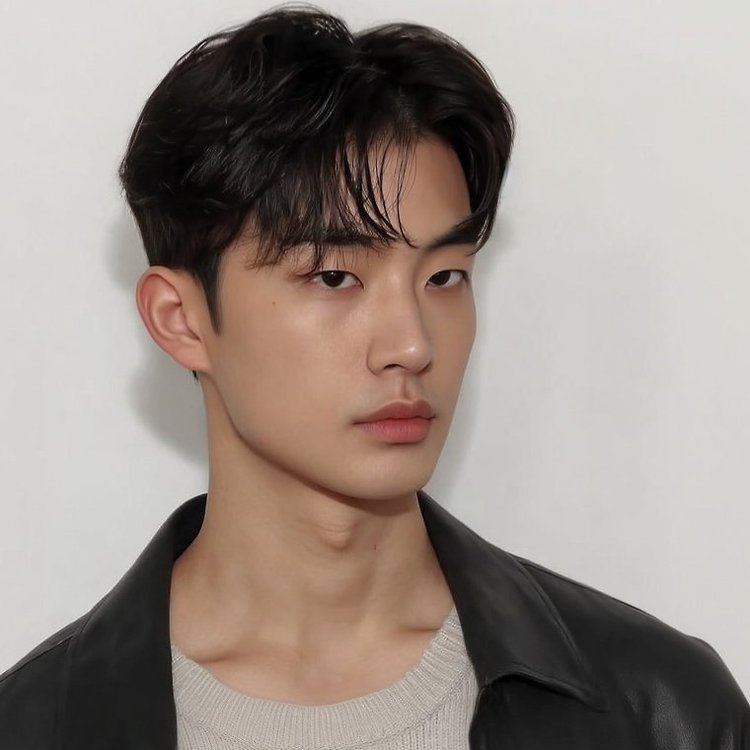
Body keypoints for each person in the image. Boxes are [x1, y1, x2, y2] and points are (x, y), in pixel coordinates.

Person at [0, 6, 747, 749]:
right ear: (181, 320)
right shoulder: (36, 727)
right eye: (334, 276)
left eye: (444, 276)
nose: (412, 345)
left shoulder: (661, 712)